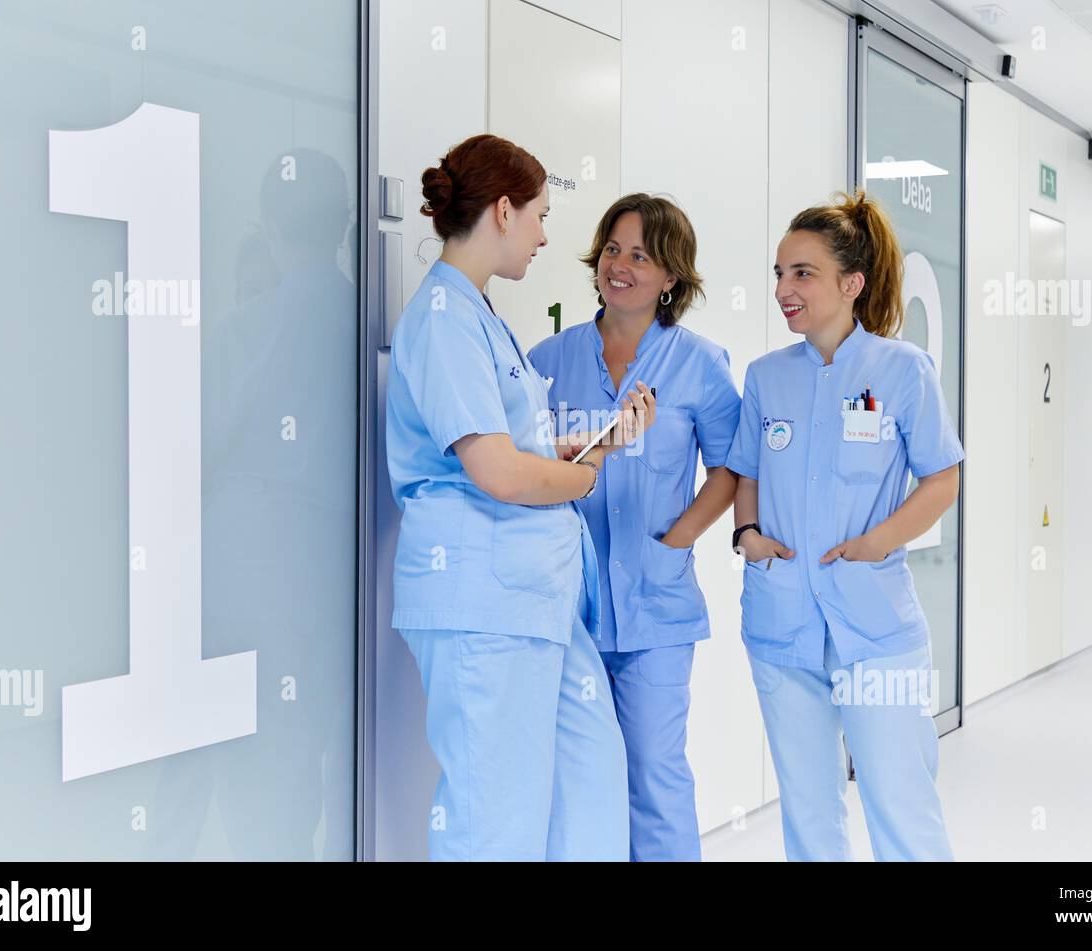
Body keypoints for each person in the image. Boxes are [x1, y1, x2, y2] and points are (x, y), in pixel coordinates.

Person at [385, 133, 657, 861]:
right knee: (494, 818)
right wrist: (586, 475)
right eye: (537, 214)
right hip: (486, 602)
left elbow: (513, 453)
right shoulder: (443, 318)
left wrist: (584, 447)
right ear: (502, 211)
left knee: (589, 781)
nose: (543, 235)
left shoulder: (479, 315)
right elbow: (498, 473)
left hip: (536, 601)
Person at [724, 190, 962, 861]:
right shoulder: (767, 377)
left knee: (901, 804)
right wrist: (746, 535)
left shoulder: (902, 369)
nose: (783, 289)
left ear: (851, 284)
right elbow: (746, 471)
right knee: (808, 810)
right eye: (778, 273)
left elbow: (943, 476)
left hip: (874, 627)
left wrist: (881, 540)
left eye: (802, 273)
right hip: (782, 623)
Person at [528, 194, 740, 861]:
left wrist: (678, 538)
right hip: (568, 603)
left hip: (656, 604)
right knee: (580, 778)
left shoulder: (700, 363)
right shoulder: (546, 359)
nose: (620, 266)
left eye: (641, 256)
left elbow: (733, 468)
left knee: (653, 771)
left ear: (671, 276)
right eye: (613, 250)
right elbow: (526, 467)